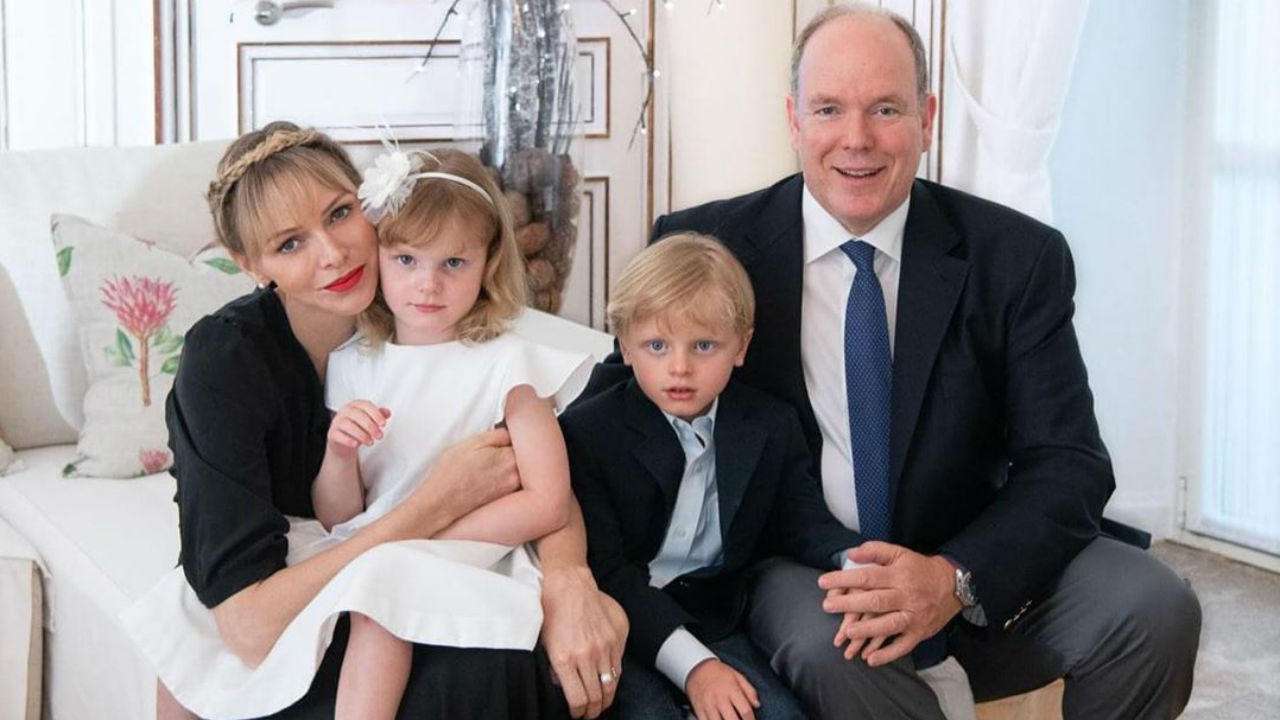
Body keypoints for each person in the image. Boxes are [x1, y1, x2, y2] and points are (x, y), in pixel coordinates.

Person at [581, 4, 1201, 719]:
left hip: (975, 563)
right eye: (828, 109)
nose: (857, 139)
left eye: (885, 109)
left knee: (1154, 606)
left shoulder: (1017, 257)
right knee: (839, 645)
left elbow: (1071, 463)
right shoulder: (709, 245)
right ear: (794, 120)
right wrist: (563, 565)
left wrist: (953, 577)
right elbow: (603, 425)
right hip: (801, 569)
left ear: (926, 118)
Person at [119, 122, 625, 720]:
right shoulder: (230, 361)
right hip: (306, 585)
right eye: (290, 244)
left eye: (339, 214)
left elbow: (544, 475)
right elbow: (249, 622)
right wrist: (427, 508)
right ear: (250, 265)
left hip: (410, 563)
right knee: (186, 642)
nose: (333, 255)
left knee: (489, 658)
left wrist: (568, 577)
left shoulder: (425, 308)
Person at [311, 146, 593, 719]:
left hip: (474, 546)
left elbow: (548, 500)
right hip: (378, 540)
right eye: (406, 260)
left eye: (454, 264)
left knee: (381, 590)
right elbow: (339, 518)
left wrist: (424, 541)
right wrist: (339, 452)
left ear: (488, 264)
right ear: (378, 256)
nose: (428, 285)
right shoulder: (353, 364)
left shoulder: (507, 362)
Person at [562, 234, 864, 720]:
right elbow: (609, 572)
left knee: (780, 715)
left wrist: (856, 564)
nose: (680, 368)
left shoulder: (770, 423)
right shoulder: (589, 433)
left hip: (716, 617)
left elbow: (803, 521)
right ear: (625, 347)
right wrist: (697, 669)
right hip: (622, 623)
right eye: (657, 346)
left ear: (741, 346)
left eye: (704, 346)